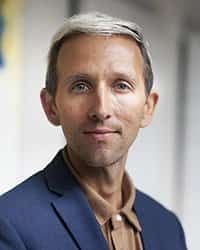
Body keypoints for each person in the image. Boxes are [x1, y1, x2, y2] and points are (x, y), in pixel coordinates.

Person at [0, 12, 187, 250]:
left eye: (121, 85)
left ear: (148, 107)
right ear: (51, 106)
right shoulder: (9, 224)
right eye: (80, 86)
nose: (101, 109)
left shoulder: (168, 227)